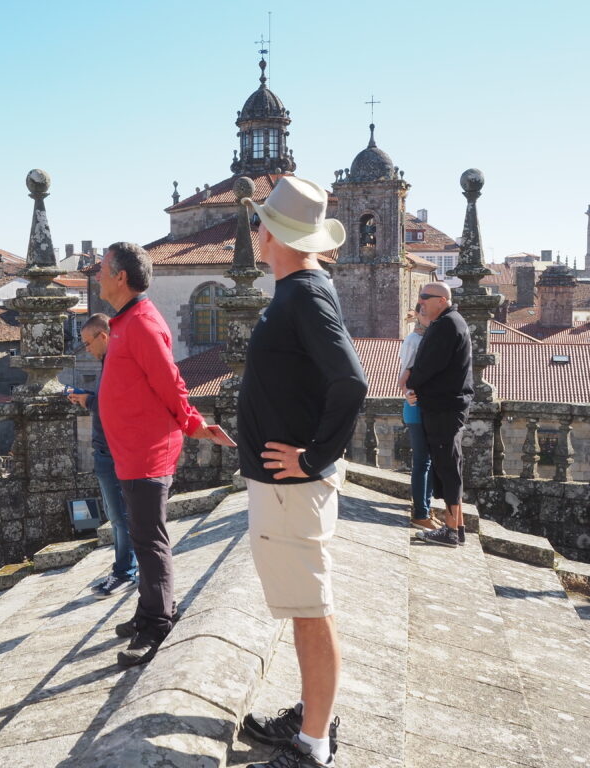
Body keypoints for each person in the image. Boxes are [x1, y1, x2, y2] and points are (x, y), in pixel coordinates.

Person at [237, 175, 368, 768]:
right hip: (282, 488)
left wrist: (314, 458)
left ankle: (314, 743)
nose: (255, 232)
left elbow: (351, 381)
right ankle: (312, 711)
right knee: (301, 604)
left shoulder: (305, 294)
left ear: (274, 234)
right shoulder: (299, 289)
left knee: (312, 610)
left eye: (261, 223)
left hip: (292, 488)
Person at [97, 241, 234, 668]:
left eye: (102, 268)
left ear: (120, 277)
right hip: (130, 452)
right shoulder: (124, 321)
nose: (97, 274)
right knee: (141, 535)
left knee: (150, 538)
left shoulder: (141, 323)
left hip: (148, 452)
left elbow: (170, 382)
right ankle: (147, 611)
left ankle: (158, 622)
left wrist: (194, 424)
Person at [67, 313, 138, 598]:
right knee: (118, 515)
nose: (86, 349)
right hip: (107, 449)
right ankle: (127, 569)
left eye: (87, 342)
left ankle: (125, 572)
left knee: (120, 516)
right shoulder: (111, 362)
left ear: (103, 336)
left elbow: (119, 404)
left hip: (112, 451)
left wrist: (88, 400)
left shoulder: (118, 364)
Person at [406, 281, 473, 548]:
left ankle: (450, 531)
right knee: (449, 464)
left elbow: (429, 366)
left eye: (425, 297)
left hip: (445, 407)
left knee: (447, 466)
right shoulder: (450, 322)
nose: (420, 302)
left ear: (441, 300)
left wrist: (414, 387)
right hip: (445, 404)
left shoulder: (447, 325)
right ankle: (458, 526)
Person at [398, 306, 437, 530]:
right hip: (416, 407)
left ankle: (425, 509)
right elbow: (403, 376)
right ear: (419, 316)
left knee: (428, 461)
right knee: (422, 461)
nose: (429, 317)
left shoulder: (427, 338)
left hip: (423, 407)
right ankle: (421, 513)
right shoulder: (414, 340)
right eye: (425, 313)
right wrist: (408, 394)